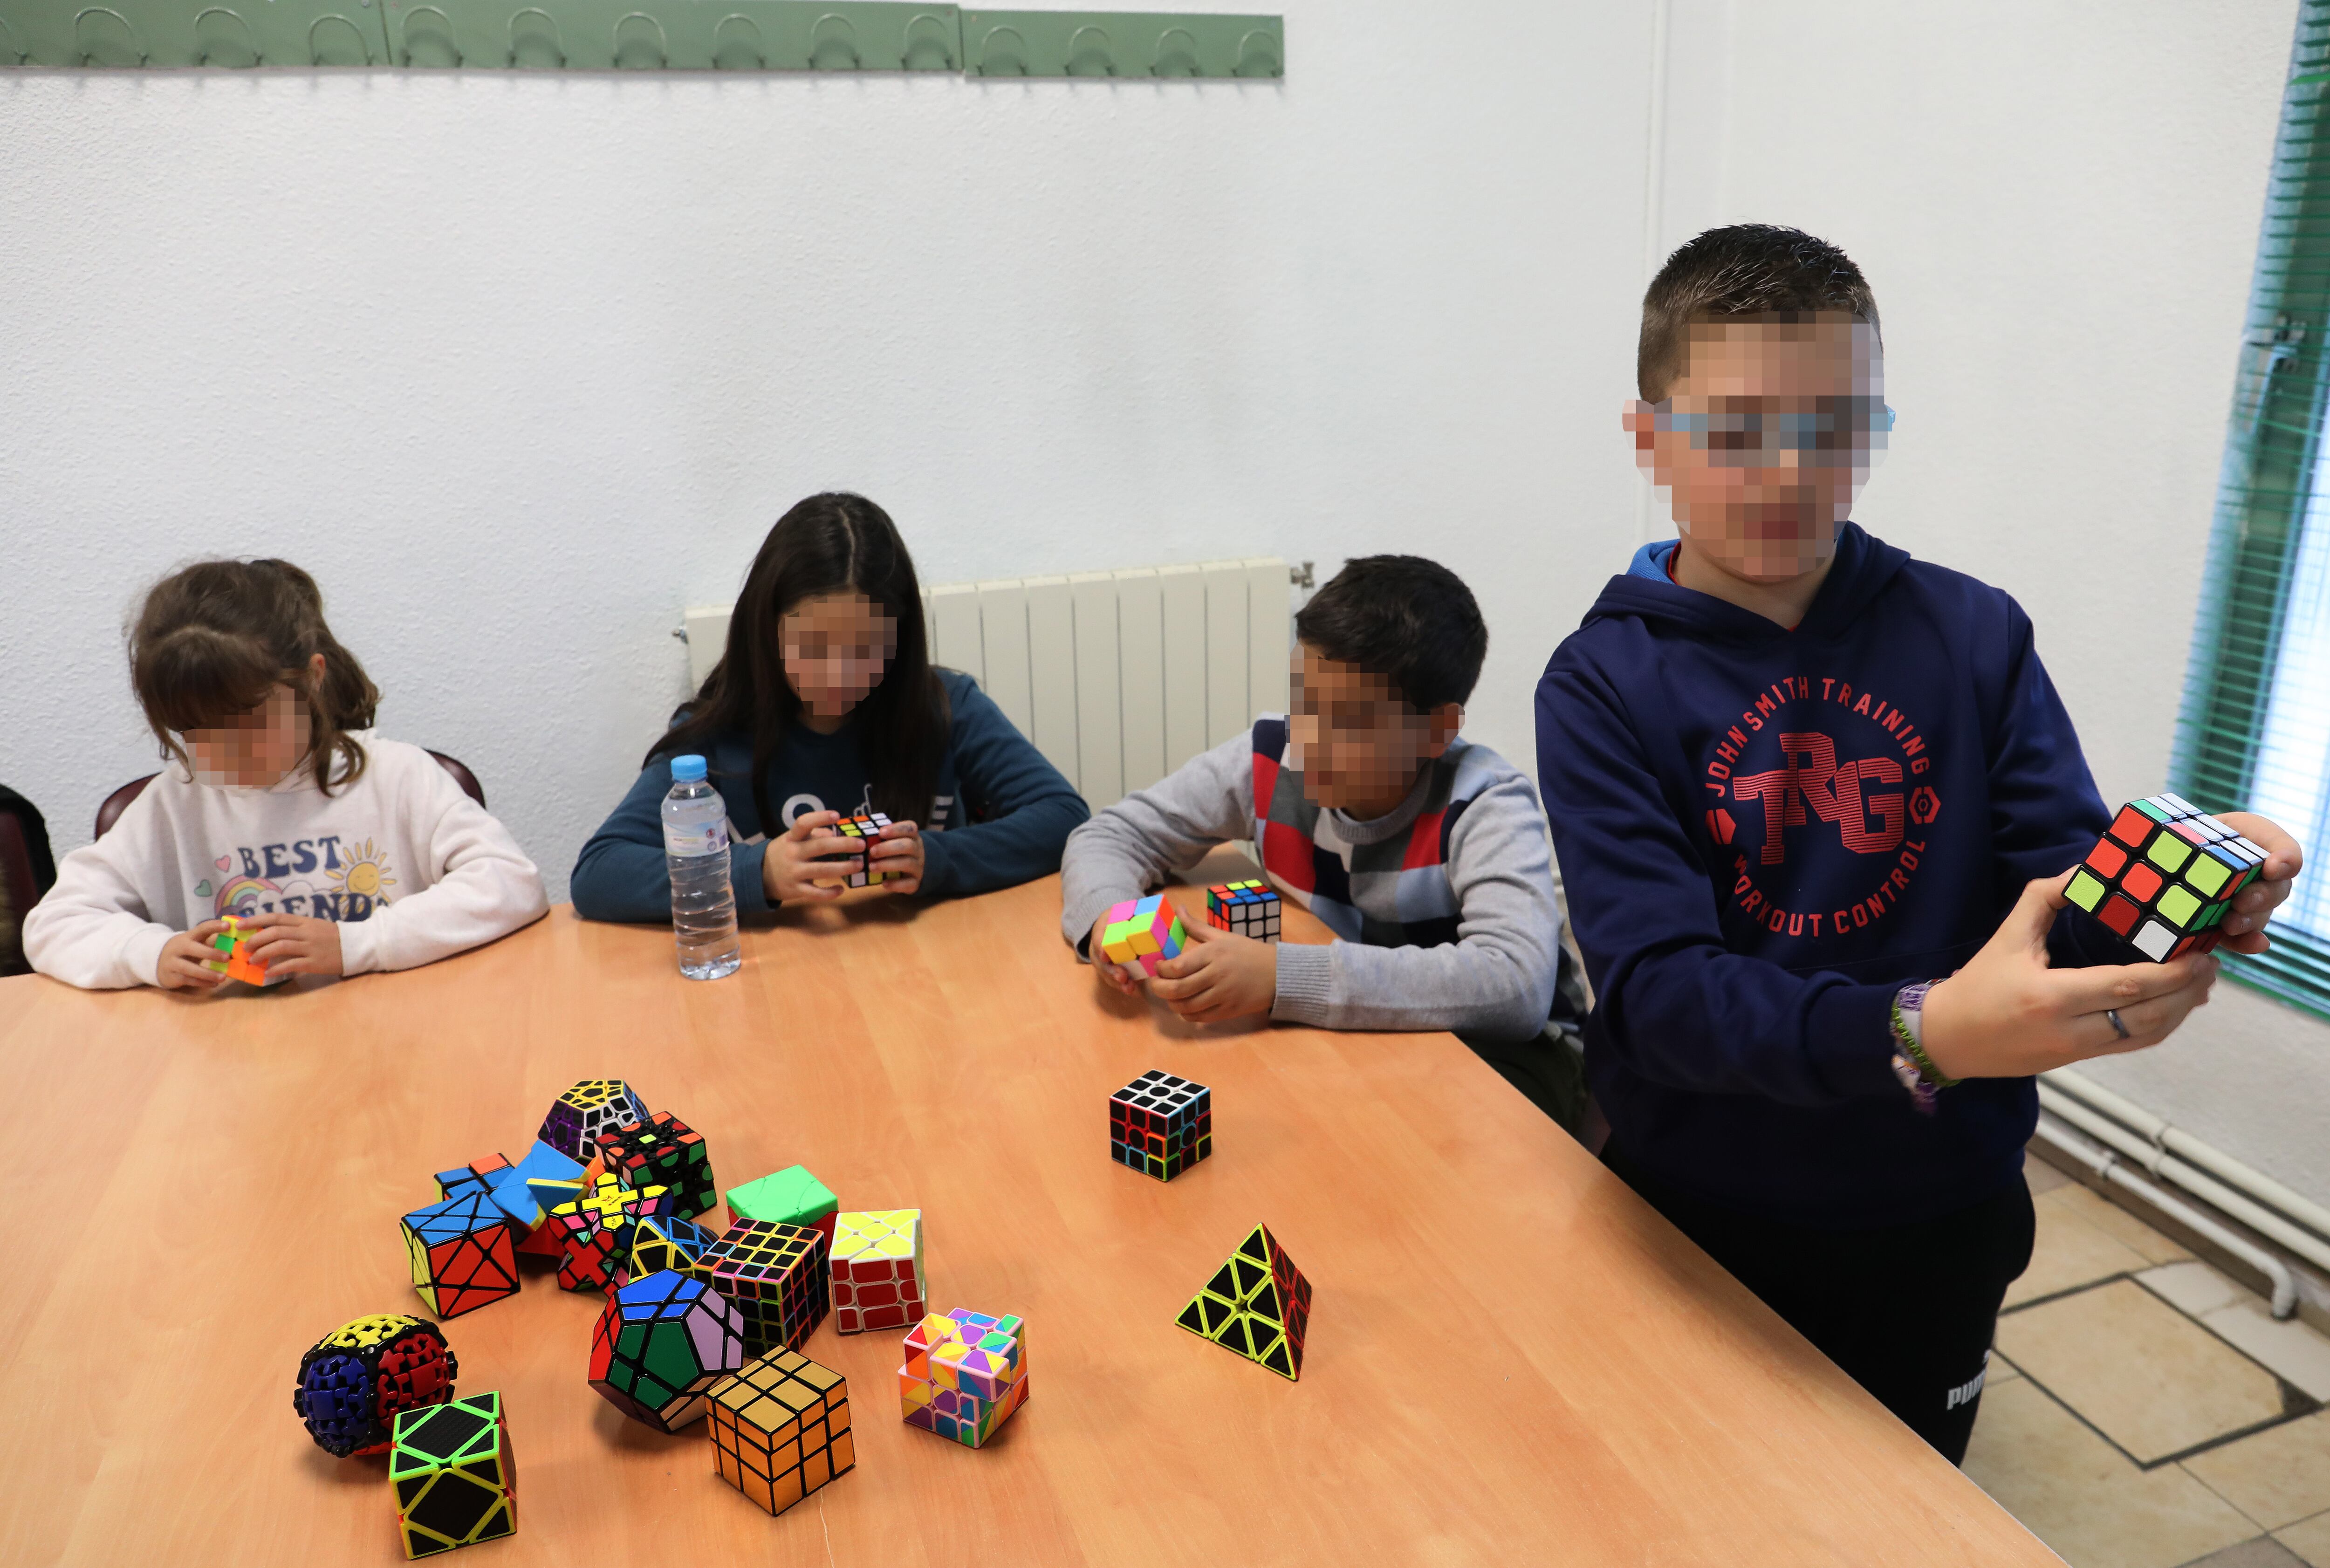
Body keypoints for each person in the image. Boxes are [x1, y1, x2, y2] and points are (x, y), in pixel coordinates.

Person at [1535, 223, 2306, 1462]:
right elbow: (1660, 996)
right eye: (1736, 430)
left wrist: (2191, 886)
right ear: (1649, 435)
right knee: (1700, 1493)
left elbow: (2062, 904)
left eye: (1832, 426)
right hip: (1701, 1205)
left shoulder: (1973, 633)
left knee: (1900, 1492)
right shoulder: (1600, 683)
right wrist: (1922, 1029)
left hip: (1938, 1204)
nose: (1789, 472)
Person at [1060, 555, 1587, 1109]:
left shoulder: (1486, 802)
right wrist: (1107, 916)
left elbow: (1516, 986)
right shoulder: (1269, 756)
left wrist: (1282, 976)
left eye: (1350, 721)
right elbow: (1112, 833)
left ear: (1436, 731)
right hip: (1366, 1026)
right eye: (1304, 703)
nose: (1309, 741)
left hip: (1512, 1054)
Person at [25, 558, 548, 990]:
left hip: (394, 1038)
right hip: (236, 1054)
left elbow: (512, 883)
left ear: (313, 679)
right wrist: (148, 951)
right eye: (196, 732)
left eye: (250, 723)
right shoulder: (172, 805)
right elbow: (54, 923)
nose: (227, 754)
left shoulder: (396, 776)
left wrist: (358, 944)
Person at [572, 492, 1088, 919]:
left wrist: (937, 858)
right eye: (814, 647)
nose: (840, 674)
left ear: (900, 638)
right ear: (767, 632)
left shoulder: (946, 706)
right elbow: (599, 873)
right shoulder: (714, 735)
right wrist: (758, 873)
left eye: (867, 648)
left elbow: (1063, 815)